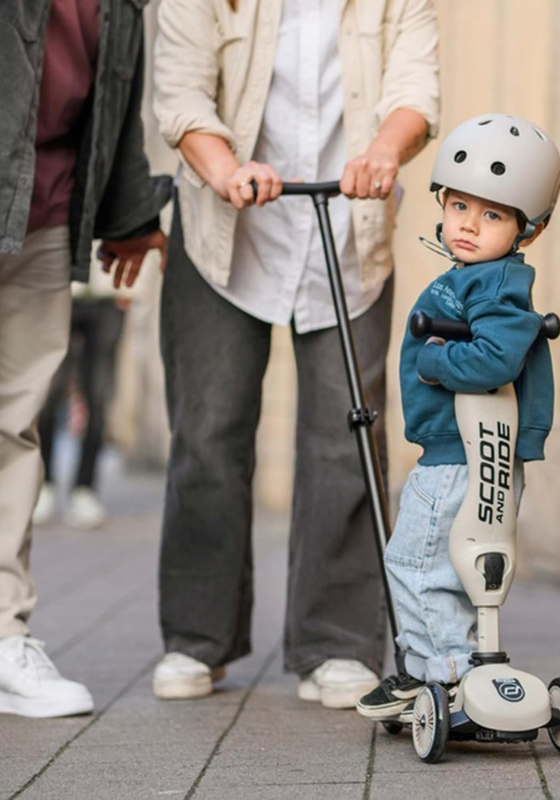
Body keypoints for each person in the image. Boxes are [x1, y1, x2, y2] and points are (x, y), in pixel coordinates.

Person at [151, 0, 440, 706]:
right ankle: (197, 639)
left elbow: (416, 90)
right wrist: (222, 169)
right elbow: (181, 92)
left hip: (348, 230)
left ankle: (336, 644)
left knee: (348, 438)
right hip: (227, 229)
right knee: (209, 435)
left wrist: (383, 152)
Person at [356, 114, 560, 719]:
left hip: (459, 456)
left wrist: (437, 358)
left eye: (494, 215)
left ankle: (437, 676)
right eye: (461, 206)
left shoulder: (494, 285)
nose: (470, 224)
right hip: (477, 452)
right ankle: (460, 667)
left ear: (531, 227)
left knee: (420, 563)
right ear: (441, 202)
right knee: (467, 565)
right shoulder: (482, 277)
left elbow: (496, 357)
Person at [0, 0, 169, 718]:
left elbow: (119, 93)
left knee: (13, 425)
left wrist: (130, 212)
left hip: (41, 213)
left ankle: (3, 637)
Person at [34, 282, 131, 530]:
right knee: (47, 394)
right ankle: (44, 484)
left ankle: (85, 490)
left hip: (110, 291)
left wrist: (133, 289)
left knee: (98, 398)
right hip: (60, 287)